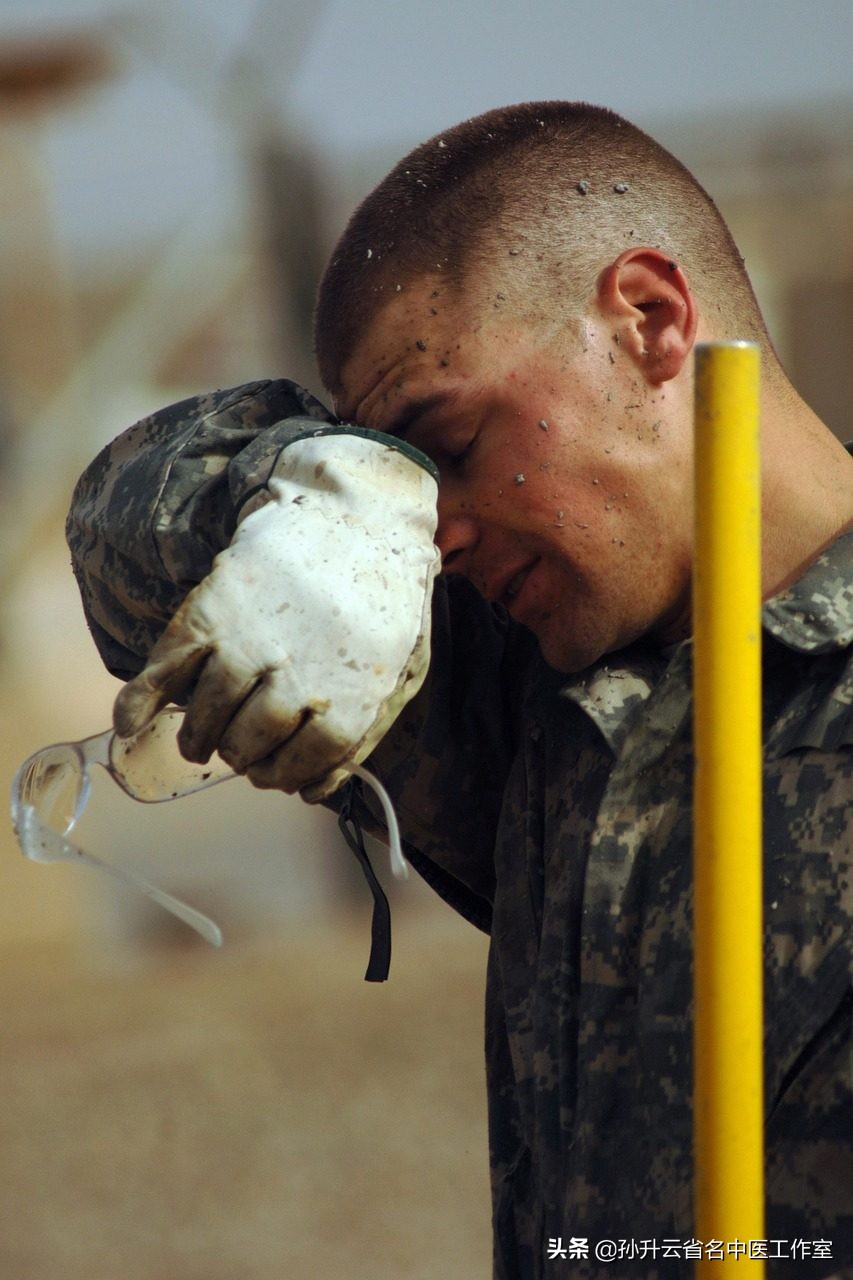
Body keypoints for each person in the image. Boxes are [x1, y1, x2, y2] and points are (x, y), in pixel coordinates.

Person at [66, 102, 851, 1278]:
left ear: (648, 319)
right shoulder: (528, 679)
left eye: (448, 442)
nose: (436, 532)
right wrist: (312, 487)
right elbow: (119, 540)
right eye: (399, 479)